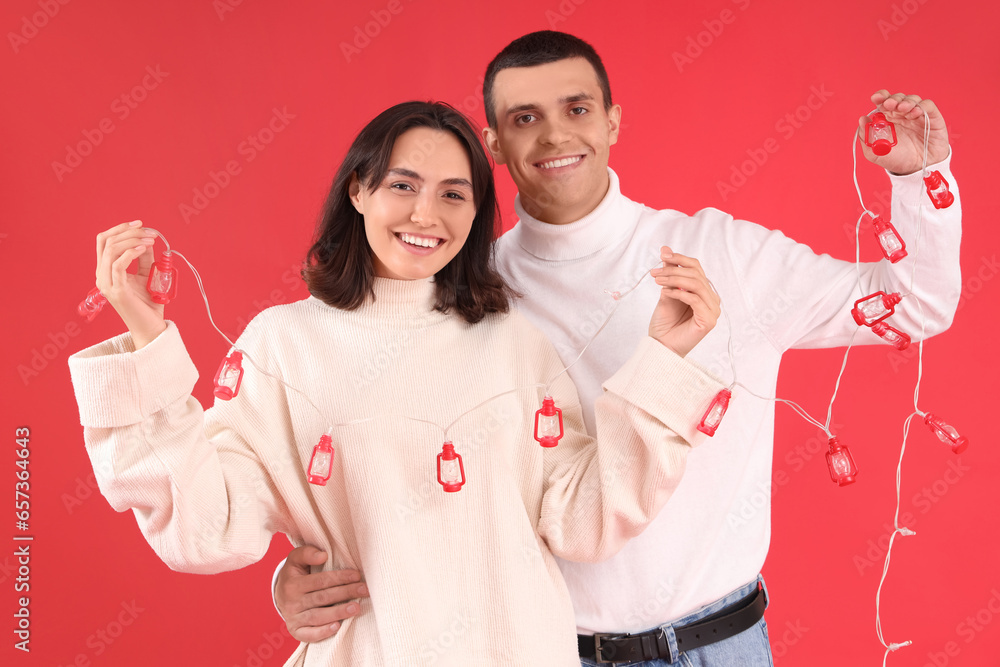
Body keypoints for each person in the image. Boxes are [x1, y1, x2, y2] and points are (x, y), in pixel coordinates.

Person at [273, 32, 962, 666]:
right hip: (541, 646)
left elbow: (917, 303)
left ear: (612, 122)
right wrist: (300, 576)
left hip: (722, 642)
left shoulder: (726, 254)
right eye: (524, 118)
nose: (554, 134)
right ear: (493, 144)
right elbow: (387, 463)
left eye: (576, 108)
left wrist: (919, 177)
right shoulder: (466, 291)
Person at [68, 100, 727, 666]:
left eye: (453, 193)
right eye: (403, 185)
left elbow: (585, 519)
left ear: (476, 214)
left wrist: (664, 360)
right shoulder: (282, 344)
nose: (426, 214)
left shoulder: (513, 343)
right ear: (358, 190)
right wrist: (148, 335)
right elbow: (209, 527)